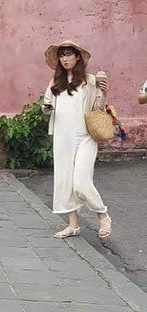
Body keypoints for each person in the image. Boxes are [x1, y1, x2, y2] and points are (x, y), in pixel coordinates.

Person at [42, 40, 112, 239]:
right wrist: (46, 108)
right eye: (61, 55)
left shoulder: (90, 80)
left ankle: (103, 215)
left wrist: (103, 92)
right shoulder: (55, 82)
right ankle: (73, 225)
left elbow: (98, 108)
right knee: (64, 181)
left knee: (81, 183)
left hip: (86, 137)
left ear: (77, 56)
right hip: (63, 137)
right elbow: (46, 105)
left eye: (68, 54)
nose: (64, 59)